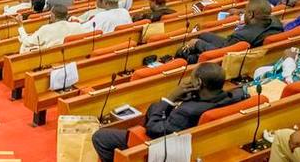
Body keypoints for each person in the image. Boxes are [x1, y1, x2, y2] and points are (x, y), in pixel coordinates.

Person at [91, 63, 246, 162]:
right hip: (205, 141)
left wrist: (169, 99)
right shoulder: (234, 96)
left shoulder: (186, 112)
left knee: (101, 137)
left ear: (198, 83)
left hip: (165, 144)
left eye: (191, 78)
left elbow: (154, 130)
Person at [178, 0, 284, 63]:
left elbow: (223, 53)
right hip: (247, 47)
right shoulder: (275, 22)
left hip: (229, 57)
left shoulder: (241, 36)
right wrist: (241, 12)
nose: (244, 14)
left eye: (246, 12)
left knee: (188, 50)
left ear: (251, 15)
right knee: (203, 34)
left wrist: (197, 44)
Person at [16, 5, 83, 53]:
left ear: (53, 15)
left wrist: (20, 26)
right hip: (73, 53)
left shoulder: (46, 29)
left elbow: (27, 42)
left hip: (51, 56)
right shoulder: (77, 26)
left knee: (24, 46)